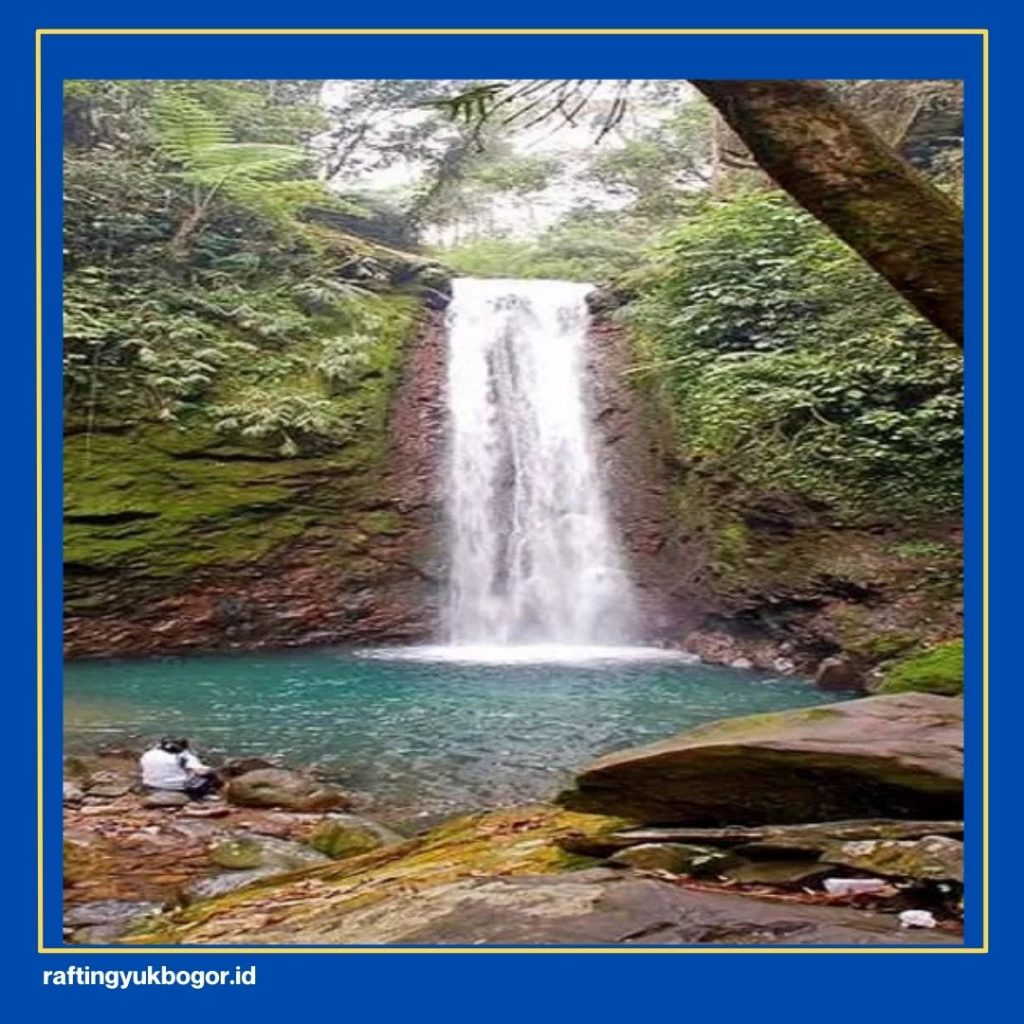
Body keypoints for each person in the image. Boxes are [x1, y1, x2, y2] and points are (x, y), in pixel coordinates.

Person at [139, 737, 221, 799]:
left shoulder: (149, 754)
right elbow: (202, 771)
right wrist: (214, 770)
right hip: (177, 787)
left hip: (150, 784)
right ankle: (208, 794)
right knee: (210, 775)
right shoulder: (184, 756)